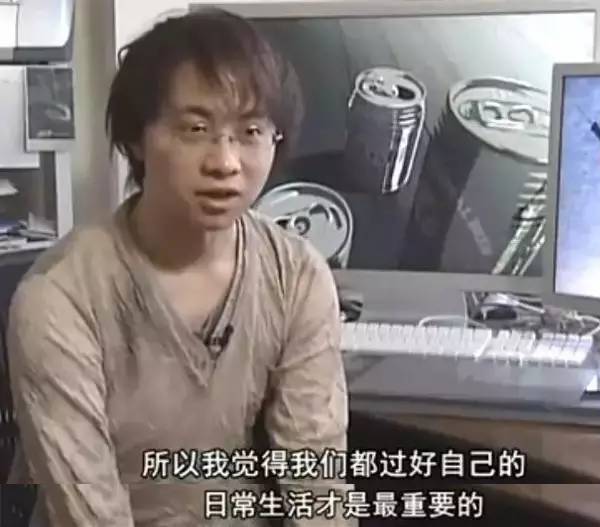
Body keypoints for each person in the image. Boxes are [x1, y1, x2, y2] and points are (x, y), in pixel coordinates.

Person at [7, 8, 352, 526]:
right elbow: (88, 513)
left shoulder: (296, 275)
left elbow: (317, 481)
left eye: (251, 131)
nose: (225, 163)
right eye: (196, 128)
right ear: (138, 138)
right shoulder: (60, 298)